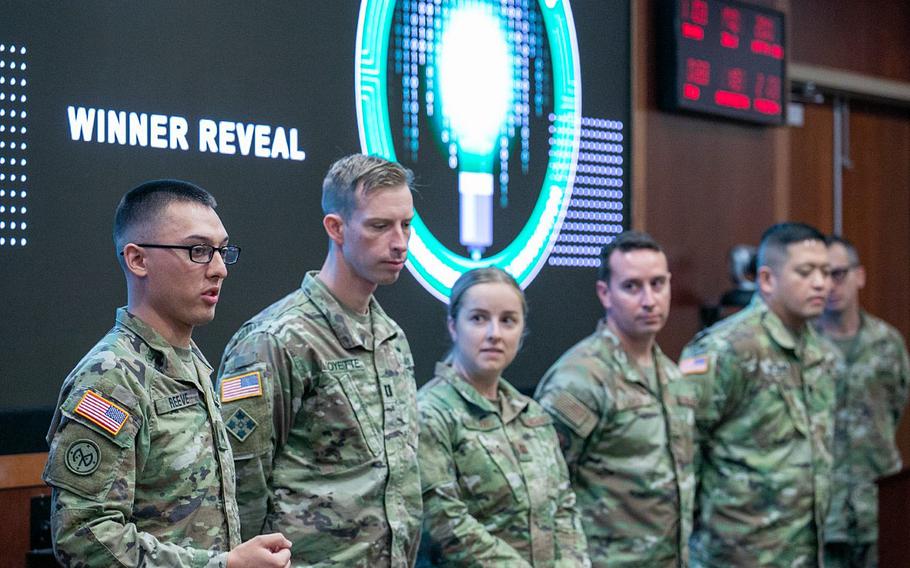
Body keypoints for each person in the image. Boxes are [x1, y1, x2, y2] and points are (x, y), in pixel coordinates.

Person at [43, 179, 292, 567]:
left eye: (223, 251)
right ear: (138, 260)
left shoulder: (191, 363)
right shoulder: (111, 377)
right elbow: (84, 539)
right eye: (198, 251)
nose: (220, 269)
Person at [216, 154, 421, 565]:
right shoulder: (275, 340)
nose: (399, 242)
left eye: (406, 224)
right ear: (336, 228)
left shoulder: (391, 337)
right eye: (380, 226)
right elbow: (240, 489)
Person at [680, 222, 840, 567]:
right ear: (767, 279)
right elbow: (680, 452)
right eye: (806, 272)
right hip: (736, 556)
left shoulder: (822, 354)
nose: (820, 283)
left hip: (807, 553)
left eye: (826, 272)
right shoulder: (725, 350)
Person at [534, 230, 695, 567]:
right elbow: (542, 488)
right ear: (605, 293)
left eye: (658, 284)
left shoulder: (671, 374)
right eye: (632, 286)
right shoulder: (580, 379)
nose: (649, 300)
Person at [417, 267, 590, 567]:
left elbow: (563, 507)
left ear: (521, 332)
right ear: (453, 326)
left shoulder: (532, 413)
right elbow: (444, 524)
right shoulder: (429, 413)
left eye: (508, 320)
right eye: (478, 318)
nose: (494, 333)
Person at [815, 235, 910, 568]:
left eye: (838, 274)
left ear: (860, 275)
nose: (829, 285)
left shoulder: (887, 342)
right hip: (822, 511)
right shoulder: (803, 346)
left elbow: (897, 405)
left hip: (878, 505)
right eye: (821, 275)